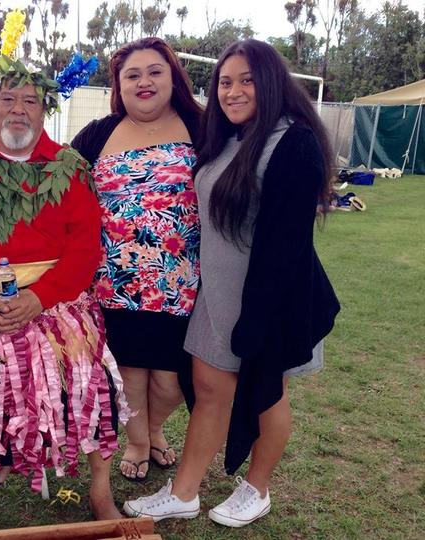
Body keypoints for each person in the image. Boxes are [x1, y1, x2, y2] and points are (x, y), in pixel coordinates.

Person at [123, 39, 340, 527]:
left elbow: (284, 247)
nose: (233, 91)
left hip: (272, 299)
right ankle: (183, 492)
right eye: (224, 82)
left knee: (267, 392)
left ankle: (257, 488)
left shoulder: (294, 141)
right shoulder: (228, 138)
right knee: (209, 388)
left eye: (246, 81)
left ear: (269, 84)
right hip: (217, 294)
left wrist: (256, 322)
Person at [0, 45, 130, 519]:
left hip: (55, 303)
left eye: (30, 100)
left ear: (45, 108)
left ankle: (99, 489)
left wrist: (40, 297)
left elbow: (84, 249)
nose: (18, 109)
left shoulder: (69, 166)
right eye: (8, 98)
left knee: (85, 372)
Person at [71, 37, 201, 482]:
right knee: (128, 374)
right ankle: (140, 441)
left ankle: (157, 426)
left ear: (173, 78)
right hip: (113, 284)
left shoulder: (203, 128)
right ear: (119, 85)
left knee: (169, 381)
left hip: (181, 284)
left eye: (154, 72)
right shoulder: (97, 134)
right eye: (133, 75)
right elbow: (58, 190)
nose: (144, 82)